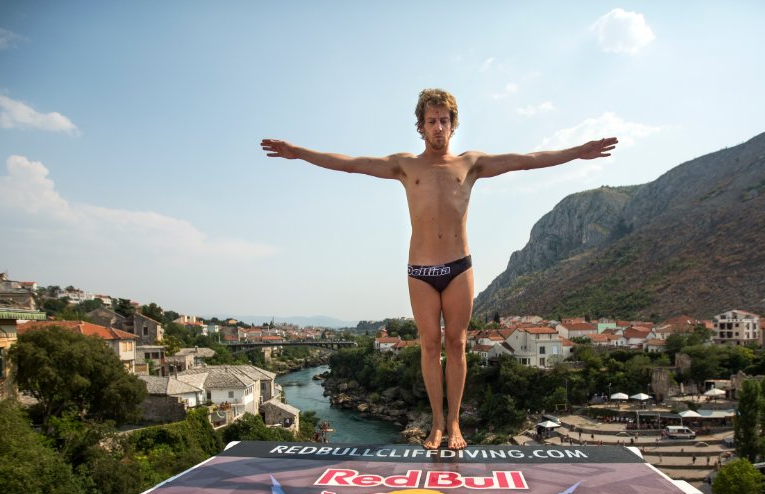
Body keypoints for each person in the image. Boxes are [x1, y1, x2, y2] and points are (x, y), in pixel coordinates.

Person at [261, 89, 617, 450]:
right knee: (430, 346)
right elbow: (351, 163)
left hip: (459, 267)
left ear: (453, 123)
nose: (438, 127)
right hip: (421, 271)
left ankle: (456, 423)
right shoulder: (405, 165)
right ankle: (435, 424)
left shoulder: (470, 163)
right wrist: (299, 153)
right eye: (431, 121)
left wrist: (577, 152)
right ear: (420, 126)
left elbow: (526, 159)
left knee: (457, 343)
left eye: (444, 120)